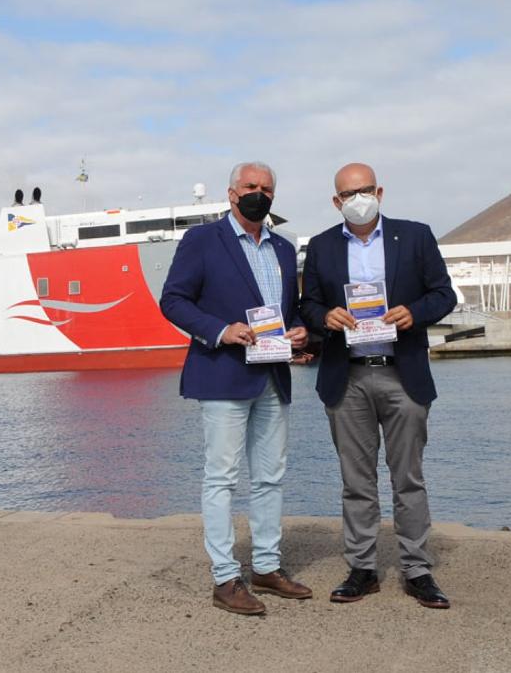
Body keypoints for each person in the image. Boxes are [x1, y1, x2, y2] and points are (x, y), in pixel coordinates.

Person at [299, 162, 457, 609]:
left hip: (401, 371)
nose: (358, 198)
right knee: (356, 481)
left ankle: (417, 569)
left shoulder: (416, 235)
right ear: (336, 201)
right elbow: (307, 303)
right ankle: (362, 568)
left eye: (365, 189)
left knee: (408, 478)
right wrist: (324, 317)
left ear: (380, 192)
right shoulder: (323, 246)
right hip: (346, 376)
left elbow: (444, 293)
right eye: (349, 193)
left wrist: (416, 312)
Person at [160, 162, 312, 616]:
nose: (259, 194)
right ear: (231, 193)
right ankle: (225, 578)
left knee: (270, 476)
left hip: (272, 374)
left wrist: (302, 330)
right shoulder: (202, 241)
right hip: (223, 373)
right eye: (251, 187)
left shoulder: (284, 248)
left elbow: (292, 309)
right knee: (222, 478)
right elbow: (173, 300)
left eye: (267, 188)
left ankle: (266, 566)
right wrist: (220, 330)